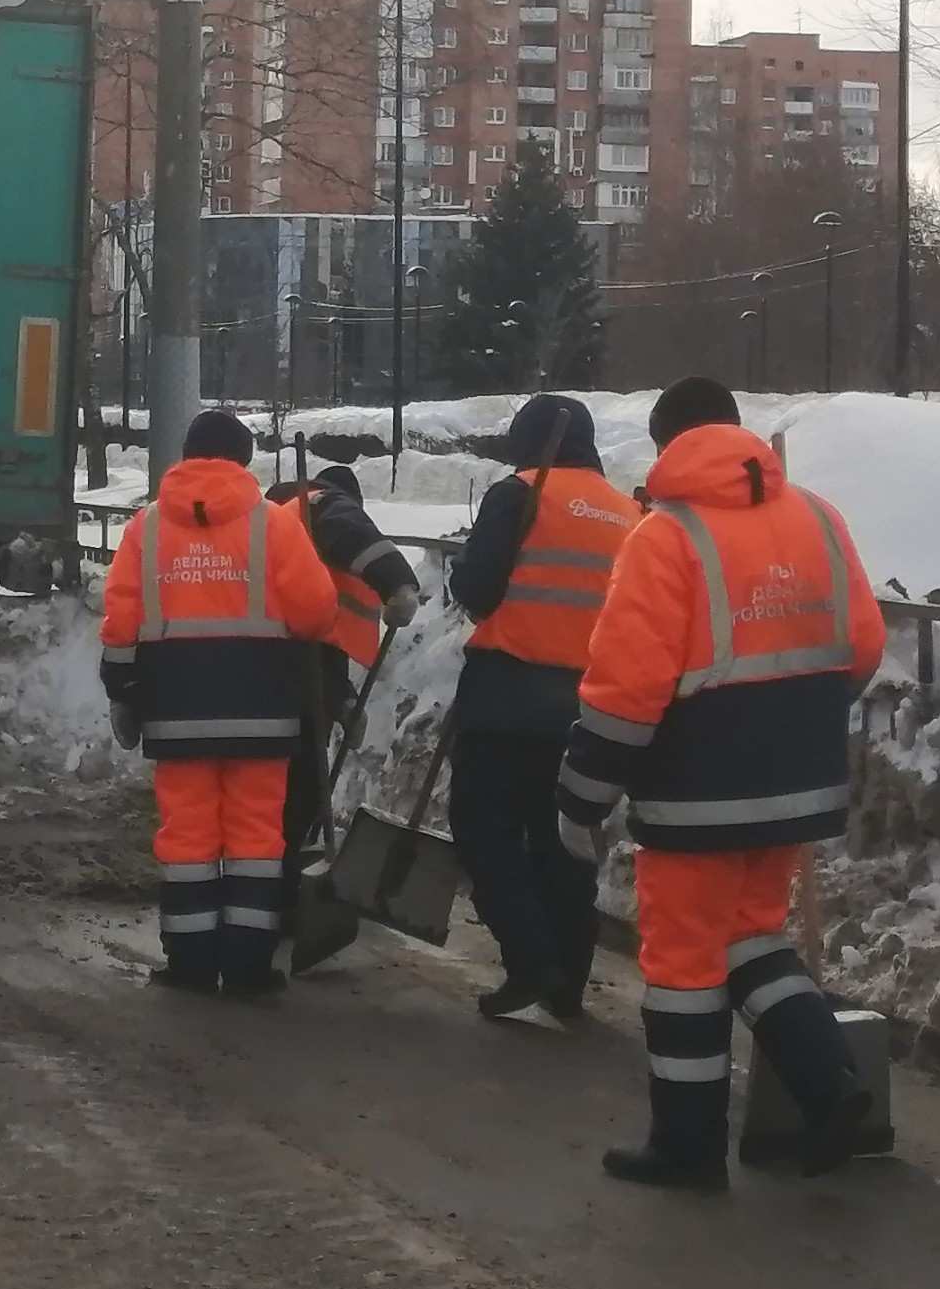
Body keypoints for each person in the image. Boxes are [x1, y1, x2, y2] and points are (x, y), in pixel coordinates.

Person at [556, 376, 889, 1191]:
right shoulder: (817, 516)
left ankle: (687, 1146)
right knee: (751, 937)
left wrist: (580, 799)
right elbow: (864, 643)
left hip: (695, 793)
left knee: (683, 966)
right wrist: (794, 723)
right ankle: (832, 1087)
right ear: (736, 432)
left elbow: (625, 692)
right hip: (795, 786)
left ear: (666, 446)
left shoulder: (663, 538)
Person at [97, 409, 343, 994]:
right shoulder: (276, 525)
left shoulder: (146, 528)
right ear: (243, 458)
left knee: (187, 836)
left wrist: (122, 692)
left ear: (185, 456)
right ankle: (250, 966)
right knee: (257, 836)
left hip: (176, 709)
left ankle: (190, 961)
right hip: (263, 709)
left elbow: (121, 620)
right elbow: (315, 613)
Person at [442, 392, 630, 1023]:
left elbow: (476, 590)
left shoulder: (520, 492)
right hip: (590, 704)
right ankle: (568, 982)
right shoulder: (627, 511)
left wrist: (466, 567)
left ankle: (530, 957)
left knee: (482, 828)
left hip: (509, 694)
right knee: (562, 841)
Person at [274, 455, 424, 961]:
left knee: (286, 798)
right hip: (279, 680)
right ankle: (271, 900)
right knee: (293, 795)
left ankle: (266, 892)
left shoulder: (284, 531)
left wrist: (341, 704)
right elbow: (346, 524)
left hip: (269, 676)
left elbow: (323, 643)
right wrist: (397, 582)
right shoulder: (313, 505)